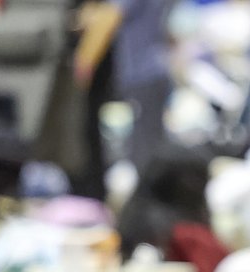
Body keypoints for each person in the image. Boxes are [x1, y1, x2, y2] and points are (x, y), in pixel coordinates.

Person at [72, 0, 174, 174]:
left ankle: (141, 196)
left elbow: (108, 20)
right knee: (150, 142)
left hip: (141, 75)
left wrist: (83, 63)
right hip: (155, 70)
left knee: (141, 149)